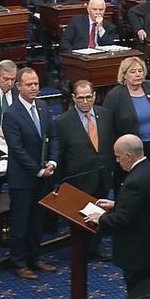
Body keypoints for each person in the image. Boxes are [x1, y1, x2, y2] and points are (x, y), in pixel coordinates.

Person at [84, 134, 150, 294]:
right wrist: (117, 204)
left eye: (118, 157)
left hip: (139, 255)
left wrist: (100, 218)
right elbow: (144, 205)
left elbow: (123, 219)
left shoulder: (133, 181)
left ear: (128, 156)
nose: (116, 161)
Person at [2, 67, 59, 280]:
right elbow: (17, 150)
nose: (34, 87)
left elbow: (53, 136)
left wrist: (52, 162)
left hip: (44, 175)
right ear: (18, 87)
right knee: (21, 221)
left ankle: (35, 257)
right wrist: (38, 170)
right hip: (23, 179)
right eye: (29, 84)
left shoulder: (43, 107)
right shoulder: (11, 114)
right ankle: (18, 262)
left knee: (37, 220)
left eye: (36, 83)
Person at [54, 80, 113, 261]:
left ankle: (95, 247)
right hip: (78, 179)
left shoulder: (104, 114)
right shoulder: (62, 121)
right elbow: (60, 153)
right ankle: (80, 249)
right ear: (73, 98)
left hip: (102, 174)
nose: (85, 101)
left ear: (95, 96)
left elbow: (109, 144)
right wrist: (59, 182)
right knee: (80, 216)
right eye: (81, 98)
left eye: (89, 97)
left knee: (99, 212)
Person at [103, 57, 150, 191]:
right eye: (133, 71)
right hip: (128, 151)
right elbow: (107, 125)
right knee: (128, 185)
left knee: (149, 183)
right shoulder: (115, 95)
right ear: (124, 75)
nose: (137, 74)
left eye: (140, 71)